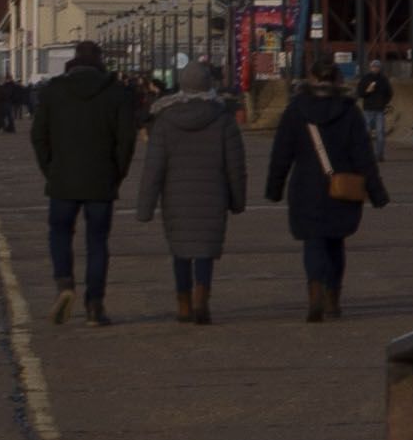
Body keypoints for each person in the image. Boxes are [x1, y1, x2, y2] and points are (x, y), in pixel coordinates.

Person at [26, 36, 144, 324]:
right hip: (101, 180)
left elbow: (38, 135)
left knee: (59, 233)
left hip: (63, 180)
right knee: (98, 242)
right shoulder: (116, 93)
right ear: (100, 61)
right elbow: (126, 140)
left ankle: (65, 284)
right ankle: (94, 305)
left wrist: (50, 168)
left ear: (74, 60)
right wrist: (118, 172)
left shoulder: (54, 91)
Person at [273, 51, 392, 326]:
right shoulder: (349, 112)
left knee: (313, 242)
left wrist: (275, 186)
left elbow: (281, 153)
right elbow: (364, 155)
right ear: (338, 78)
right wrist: (377, 192)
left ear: (310, 78)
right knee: (336, 243)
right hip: (342, 187)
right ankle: (332, 296)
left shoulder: (295, 111)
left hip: (305, 187)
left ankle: (314, 290)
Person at [130, 72, 249, 326]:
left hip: (176, 196)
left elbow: (154, 167)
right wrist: (238, 199)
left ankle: (183, 304)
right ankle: (201, 298)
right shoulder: (223, 119)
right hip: (212, 194)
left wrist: (145, 208)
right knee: (205, 249)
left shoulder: (165, 119)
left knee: (181, 250)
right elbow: (235, 165)